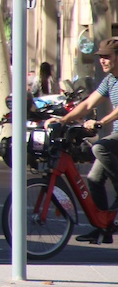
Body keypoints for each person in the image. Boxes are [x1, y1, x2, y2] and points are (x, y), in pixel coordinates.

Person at [51, 36, 118, 244]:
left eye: (107, 57)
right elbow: (88, 104)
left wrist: (101, 121)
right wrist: (63, 120)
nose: (103, 61)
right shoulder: (109, 81)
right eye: (100, 57)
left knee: (100, 147)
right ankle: (102, 227)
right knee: (94, 179)